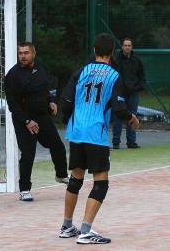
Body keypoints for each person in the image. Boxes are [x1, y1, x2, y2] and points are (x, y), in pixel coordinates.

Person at [59, 33, 139, 244]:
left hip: (76, 133)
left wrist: (69, 118)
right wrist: (132, 117)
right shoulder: (114, 76)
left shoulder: (80, 72)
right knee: (100, 182)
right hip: (96, 134)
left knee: (76, 179)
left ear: (94, 51)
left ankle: (67, 226)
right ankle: (86, 231)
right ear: (112, 52)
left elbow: (65, 103)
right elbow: (120, 108)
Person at [4, 41, 69, 202]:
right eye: (20, 53)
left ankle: (61, 175)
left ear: (33, 54)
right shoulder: (12, 75)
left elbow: (46, 89)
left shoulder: (40, 67)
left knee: (58, 147)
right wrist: (27, 121)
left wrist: (51, 101)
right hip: (23, 120)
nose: (23, 56)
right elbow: (12, 104)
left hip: (42, 116)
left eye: (26, 53)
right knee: (28, 154)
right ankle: (24, 189)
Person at [112, 38, 146, 149]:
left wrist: (138, 87)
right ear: (122, 47)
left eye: (129, 45)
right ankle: (116, 142)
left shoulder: (137, 61)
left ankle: (131, 142)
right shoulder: (116, 61)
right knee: (118, 117)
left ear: (132, 47)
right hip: (120, 94)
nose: (127, 47)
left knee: (132, 117)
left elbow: (142, 77)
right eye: (125, 45)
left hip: (133, 94)